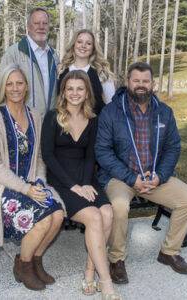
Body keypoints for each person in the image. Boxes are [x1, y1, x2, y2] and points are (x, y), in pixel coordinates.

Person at [95, 62, 187, 284]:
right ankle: (116, 259)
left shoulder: (164, 112)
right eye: (136, 81)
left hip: (154, 177)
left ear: (152, 84)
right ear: (127, 82)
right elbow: (102, 151)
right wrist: (132, 178)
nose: (140, 85)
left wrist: (160, 175)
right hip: (121, 177)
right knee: (120, 207)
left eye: (145, 81)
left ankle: (169, 252)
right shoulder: (112, 111)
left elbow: (173, 147)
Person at [0, 64, 65, 291]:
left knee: (57, 214)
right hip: (2, 187)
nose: (15, 88)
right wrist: (25, 189)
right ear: (3, 87)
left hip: (31, 184)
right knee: (43, 218)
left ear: (26, 87)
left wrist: (41, 182)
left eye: (19, 83)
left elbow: (39, 159)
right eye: (10, 83)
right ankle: (23, 266)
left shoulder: (35, 115)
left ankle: (35, 260)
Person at [41, 70, 121, 299]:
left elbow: (89, 156)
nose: (75, 93)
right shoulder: (52, 116)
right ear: (63, 92)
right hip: (60, 180)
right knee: (94, 217)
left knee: (107, 212)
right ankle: (106, 284)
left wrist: (85, 183)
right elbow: (48, 156)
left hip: (85, 177)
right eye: (70, 89)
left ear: (87, 92)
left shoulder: (92, 118)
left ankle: (89, 272)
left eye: (80, 88)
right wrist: (74, 186)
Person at [0, 8, 58, 116]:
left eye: (45, 23)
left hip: (49, 124)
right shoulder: (14, 53)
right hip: (22, 120)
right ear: (28, 27)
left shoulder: (54, 55)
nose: (41, 27)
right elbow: (1, 89)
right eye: (36, 23)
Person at [57, 29, 115, 115]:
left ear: (93, 48)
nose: (83, 46)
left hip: (95, 125)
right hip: (65, 124)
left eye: (88, 43)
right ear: (74, 45)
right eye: (79, 42)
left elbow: (111, 104)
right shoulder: (61, 71)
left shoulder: (102, 73)